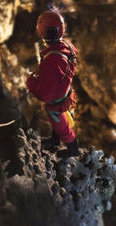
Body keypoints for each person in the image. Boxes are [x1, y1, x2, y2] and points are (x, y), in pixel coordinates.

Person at [26, 9, 80, 158]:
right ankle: (55, 141)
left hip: (57, 101)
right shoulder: (67, 47)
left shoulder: (52, 60)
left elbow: (46, 95)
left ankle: (73, 151)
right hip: (66, 92)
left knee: (63, 128)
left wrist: (31, 82)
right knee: (60, 126)